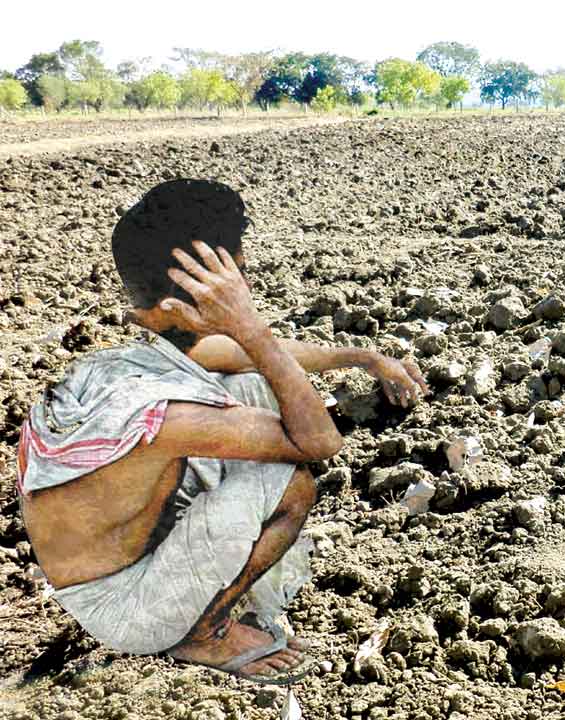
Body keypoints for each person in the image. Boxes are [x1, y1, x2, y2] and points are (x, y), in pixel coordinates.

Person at [16, 179, 428, 684]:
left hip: (128, 550)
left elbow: (250, 358)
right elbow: (319, 441)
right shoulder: (162, 413)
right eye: (234, 279)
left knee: (255, 384)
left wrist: (362, 358)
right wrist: (249, 326)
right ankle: (202, 633)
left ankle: (208, 593)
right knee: (289, 485)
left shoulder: (141, 354)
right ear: (187, 300)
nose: (245, 288)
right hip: (123, 608)